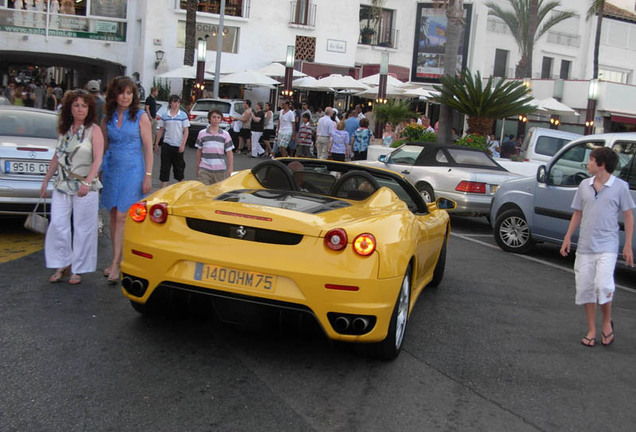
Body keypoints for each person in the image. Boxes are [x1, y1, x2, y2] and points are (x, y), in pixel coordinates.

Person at [560, 147, 635, 348]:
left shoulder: (620, 187)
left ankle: (607, 322)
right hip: (585, 246)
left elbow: (628, 216)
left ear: (601, 164)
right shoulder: (584, 185)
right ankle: (592, 329)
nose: (588, 163)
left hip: (608, 246)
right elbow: (577, 213)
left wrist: (627, 245)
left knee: (603, 285)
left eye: (592, 160)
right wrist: (567, 238)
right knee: (585, 289)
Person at [40, 89, 104, 285]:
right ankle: (63, 262)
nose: (80, 109)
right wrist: (45, 180)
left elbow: (98, 159)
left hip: (86, 186)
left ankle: (79, 268)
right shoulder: (64, 130)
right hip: (62, 184)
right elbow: (57, 157)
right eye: (76, 105)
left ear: (89, 108)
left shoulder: (94, 130)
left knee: (84, 228)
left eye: (84, 105)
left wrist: (87, 182)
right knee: (58, 224)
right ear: (69, 107)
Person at [101, 76, 153, 284]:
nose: (125, 97)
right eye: (122, 92)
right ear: (114, 94)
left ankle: (116, 262)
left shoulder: (140, 117)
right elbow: (103, 147)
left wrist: (148, 175)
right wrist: (97, 171)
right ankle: (118, 257)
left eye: (129, 93)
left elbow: (148, 149)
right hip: (112, 169)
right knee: (113, 215)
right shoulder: (107, 118)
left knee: (123, 215)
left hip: (133, 170)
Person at [154, 94, 189, 188]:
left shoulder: (183, 115)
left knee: (179, 168)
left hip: (178, 145)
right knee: (165, 168)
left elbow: (186, 131)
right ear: (170, 103)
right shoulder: (165, 115)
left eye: (178, 102)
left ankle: (181, 188)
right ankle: (163, 189)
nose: (176, 104)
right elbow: (161, 129)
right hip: (167, 144)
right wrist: (156, 143)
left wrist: (183, 144)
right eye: (174, 102)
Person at [195, 108, 234, 185]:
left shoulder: (225, 134)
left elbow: (229, 152)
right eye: (214, 117)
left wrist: (230, 168)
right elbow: (199, 150)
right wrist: (197, 167)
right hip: (205, 168)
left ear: (221, 120)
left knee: (216, 193)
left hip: (220, 169)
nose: (216, 120)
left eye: (218, 117)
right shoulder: (202, 133)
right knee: (203, 191)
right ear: (209, 118)